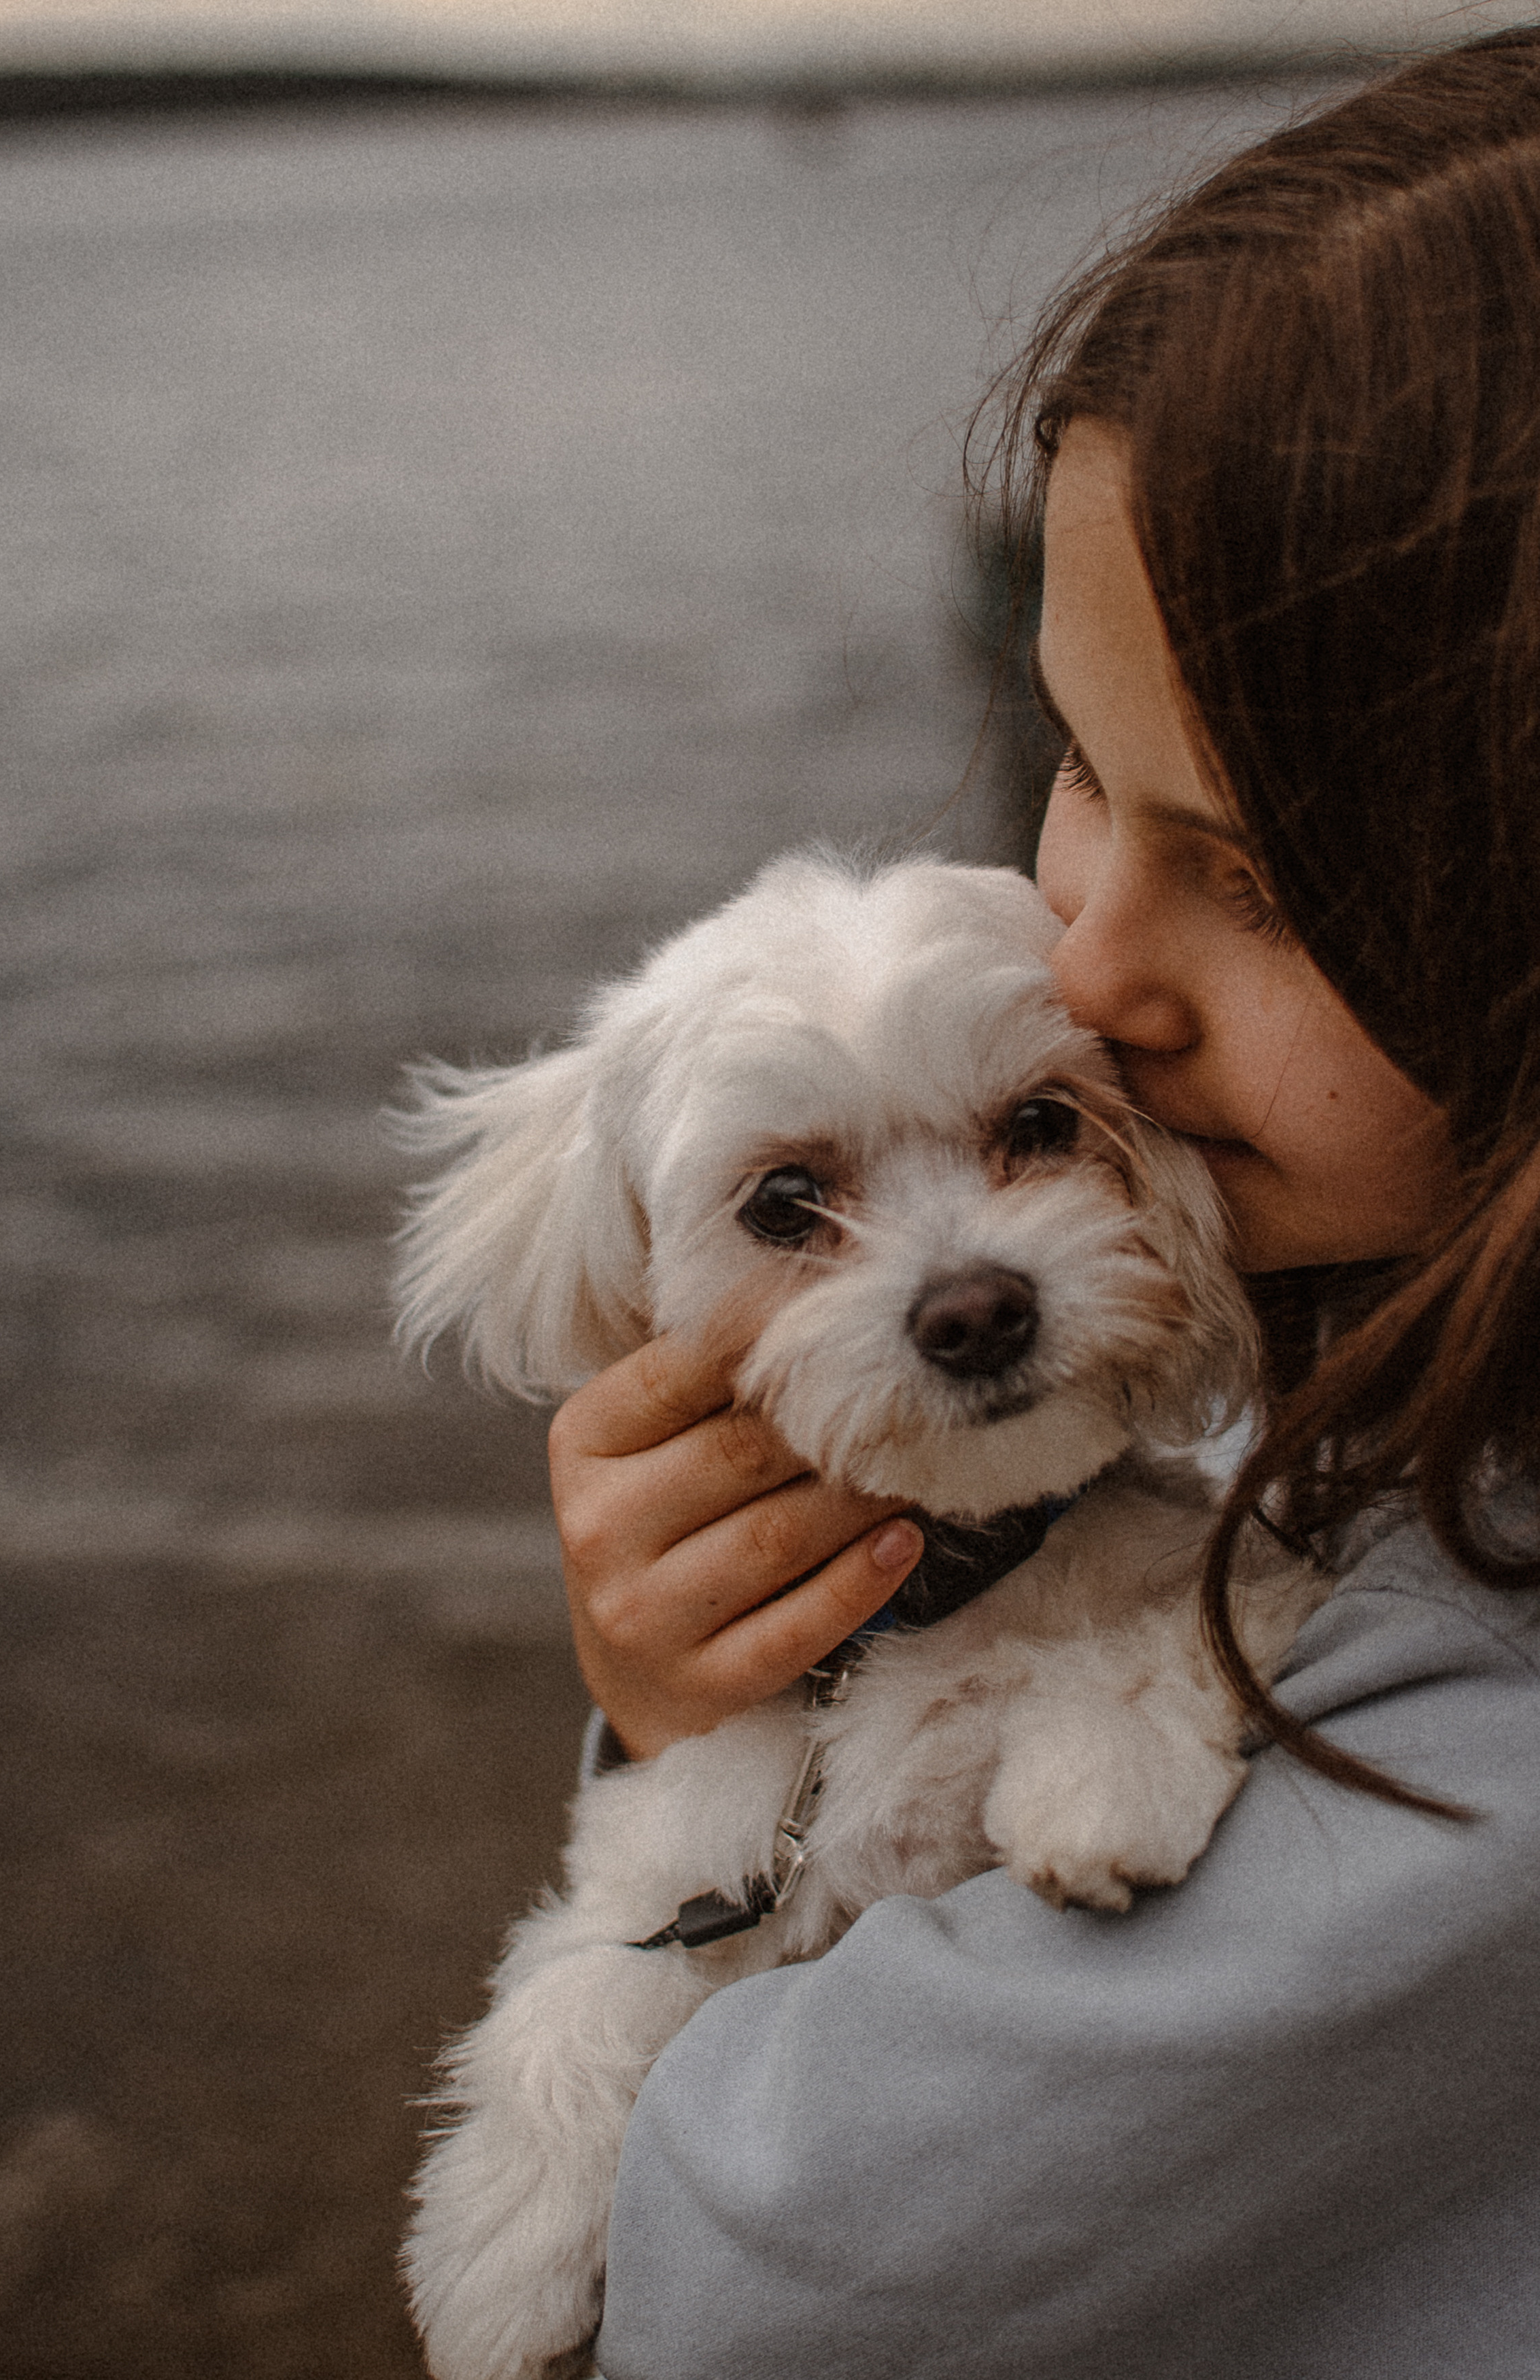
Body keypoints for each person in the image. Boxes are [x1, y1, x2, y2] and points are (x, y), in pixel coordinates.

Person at [549, 32, 1540, 2377]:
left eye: (1264, 883)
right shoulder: (1327, 1337)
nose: (1087, 968)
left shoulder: (1467, 1716)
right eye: (1078, 767)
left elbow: (734, 2273)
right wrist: (722, 1686)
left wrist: (690, 1802)